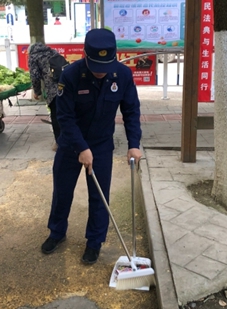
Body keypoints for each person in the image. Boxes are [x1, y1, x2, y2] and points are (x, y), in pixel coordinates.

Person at [41, 28, 142, 264]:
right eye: (96, 66)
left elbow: (131, 111)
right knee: (63, 191)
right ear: (85, 55)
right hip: (70, 144)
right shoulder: (70, 75)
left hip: (101, 144)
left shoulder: (123, 75)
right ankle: (57, 232)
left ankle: (94, 242)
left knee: (99, 196)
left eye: (105, 66)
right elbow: (64, 116)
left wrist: (134, 144)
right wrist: (81, 148)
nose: (100, 73)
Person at [28, 42, 63, 150]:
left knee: (56, 117)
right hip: (66, 86)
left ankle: (59, 143)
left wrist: (37, 92)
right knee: (67, 114)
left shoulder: (34, 57)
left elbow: (35, 77)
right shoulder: (53, 52)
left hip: (53, 91)